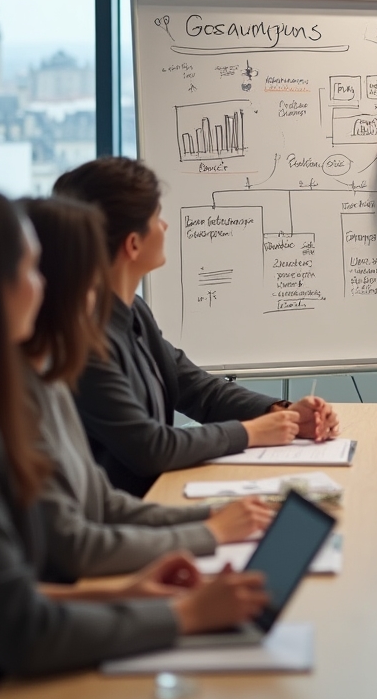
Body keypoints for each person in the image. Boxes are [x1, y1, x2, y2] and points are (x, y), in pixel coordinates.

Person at [0, 187, 269, 699]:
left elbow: (12, 593)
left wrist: (126, 596)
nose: (42, 287)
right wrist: (185, 614)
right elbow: (21, 626)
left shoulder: (16, 383)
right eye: (30, 269)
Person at [21, 196, 273, 581]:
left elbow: (101, 502)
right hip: (95, 572)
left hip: (118, 548)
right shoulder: (34, 383)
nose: (98, 284)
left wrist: (217, 515)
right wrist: (210, 531)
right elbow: (73, 547)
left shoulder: (53, 376)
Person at [54, 157, 340, 496]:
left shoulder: (133, 312)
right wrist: (253, 432)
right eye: (156, 217)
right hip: (126, 519)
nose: (165, 226)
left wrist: (284, 413)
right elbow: (151, 447)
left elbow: (197, 389)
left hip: (156, 500)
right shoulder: (85, 339)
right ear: (132, 244)